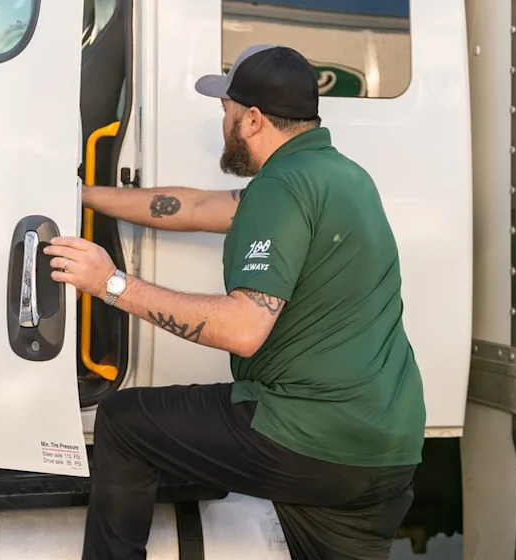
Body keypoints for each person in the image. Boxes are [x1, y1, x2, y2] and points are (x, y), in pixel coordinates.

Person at [43, 43, 426, 560]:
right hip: (388, 447)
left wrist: (110, 283)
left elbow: (245, 328)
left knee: (125, 423)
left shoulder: (282, 188)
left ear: (251, 119)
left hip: (311, 433)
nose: (221, 122)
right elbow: (195, 206)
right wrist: (81, 196)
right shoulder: (340, 176)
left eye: (224, 111)